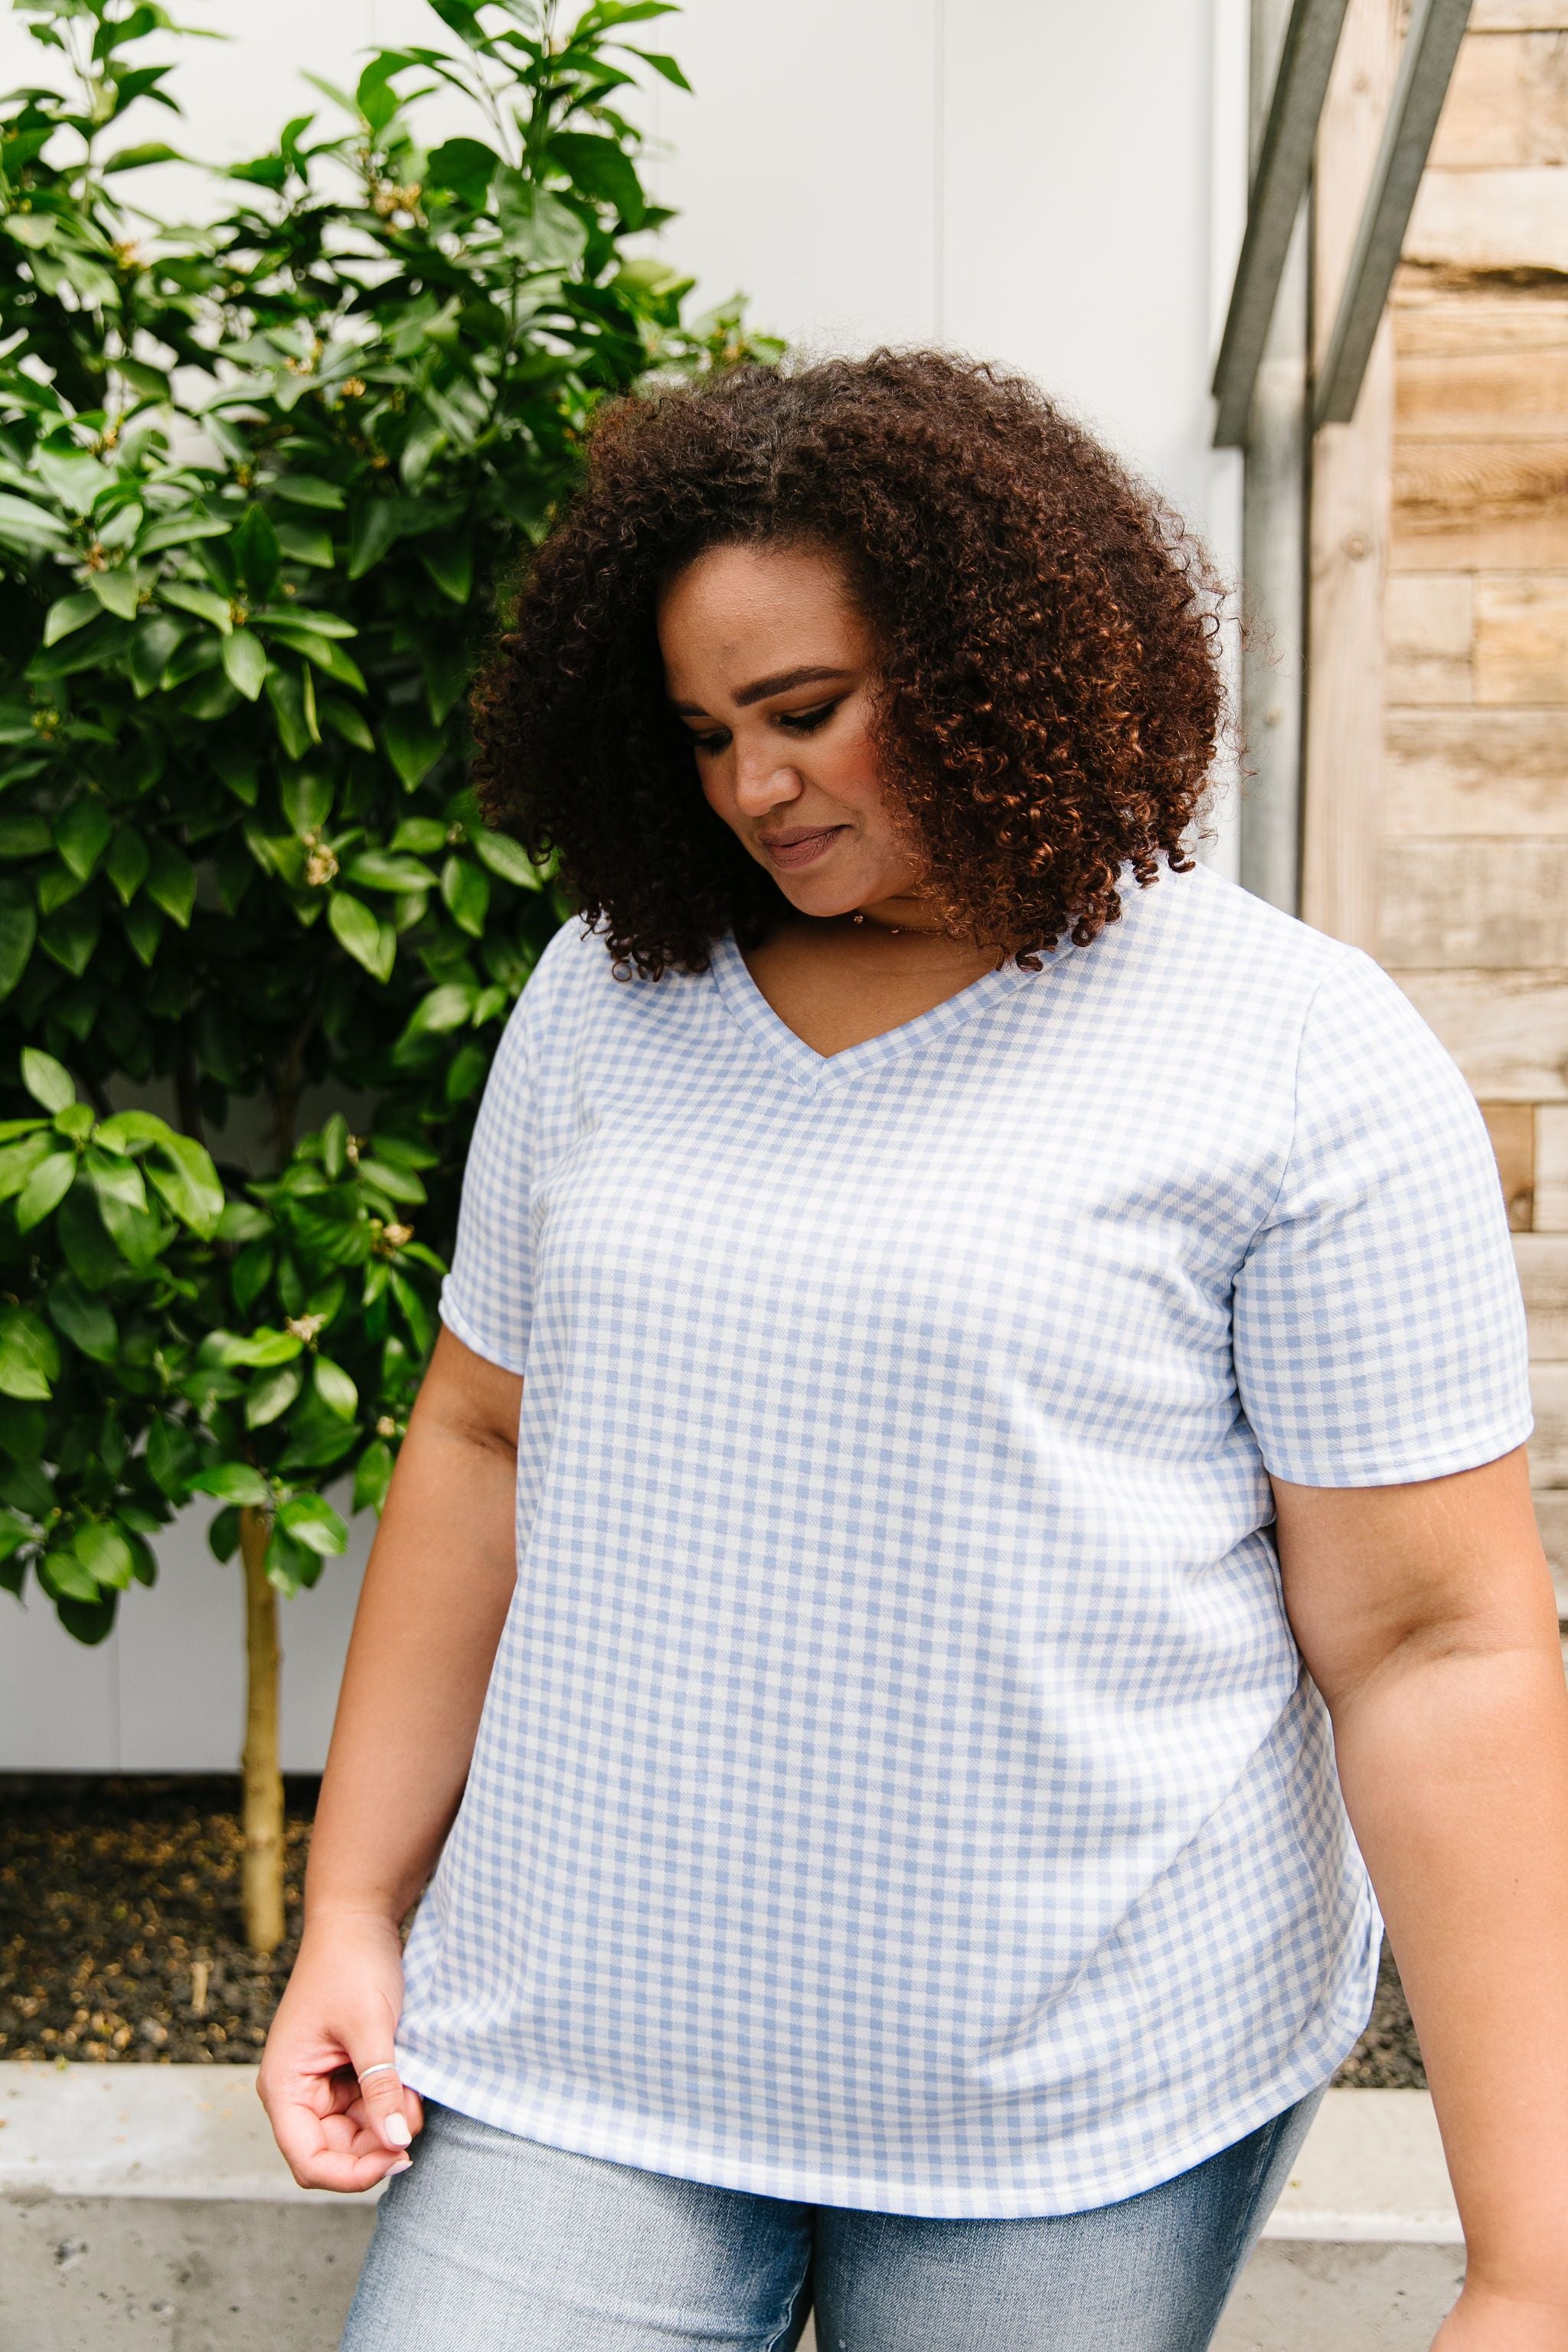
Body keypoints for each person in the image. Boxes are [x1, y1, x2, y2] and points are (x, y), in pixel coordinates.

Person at [260, 353, 1568, 2352]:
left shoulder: (1292, 1048)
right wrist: (352, 1910)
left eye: (805, 713)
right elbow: (484, 1439)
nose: (749, 786)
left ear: (1003, 659)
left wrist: (1530, 2266)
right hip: (588, 2035)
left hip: (1077, 2088)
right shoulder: (613, 998)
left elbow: (1436, 1644)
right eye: (703, 733)